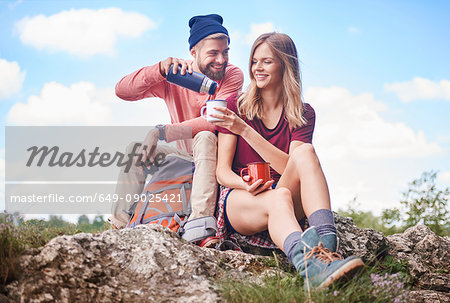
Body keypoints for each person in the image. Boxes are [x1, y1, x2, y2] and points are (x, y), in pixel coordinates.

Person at [213, 32, 364, 289]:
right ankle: (312, 265)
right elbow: (222, 173)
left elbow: (289, 167)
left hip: (282, 194)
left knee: (304, 153)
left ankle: (327, 249)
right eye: (254, 61)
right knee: (278, 196)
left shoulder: (303, 113)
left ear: (285, 65)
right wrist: (245, 184)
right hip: (240, 198)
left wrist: (246, 131)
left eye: (267, 61)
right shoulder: (235, 105)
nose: (257, 68)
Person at [109, 14, 244, 234]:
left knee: (205, 136)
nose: (221, 60)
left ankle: (200, 224)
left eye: (225, 52)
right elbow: (122, 91)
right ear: (194, 53)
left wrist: (161, 132)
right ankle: (119, 226)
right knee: (135, 151)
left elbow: (214, 120)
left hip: (216, 157)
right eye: (213, 53)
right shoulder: (176, 76)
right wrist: (159, 70)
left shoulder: (231, 75)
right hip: (182, 156)